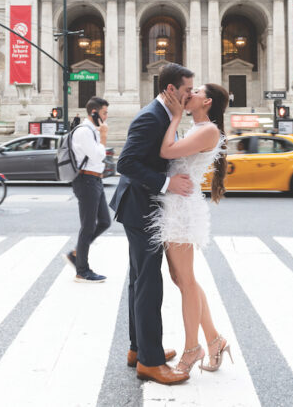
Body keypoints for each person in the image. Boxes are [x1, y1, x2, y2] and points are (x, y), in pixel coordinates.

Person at [110, 63, 194, 386]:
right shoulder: (150, 117)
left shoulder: (162, 115)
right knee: (149, 283)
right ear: (171, 90)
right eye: (187, 91)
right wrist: (166, 184)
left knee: (140, 280)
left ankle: (138, 349)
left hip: (141, 206)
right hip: (140, 207)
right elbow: (125, 163)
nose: (189, 96)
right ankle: (150, 361)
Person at [150, 83, 232, 376]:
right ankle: (215, 340)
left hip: (182, 209)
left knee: (185, 281)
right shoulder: (199, 127)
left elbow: (167, 151)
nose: (190, 93)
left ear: (207, 101)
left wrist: (173, 117)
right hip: (176, 203)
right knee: (182, 278)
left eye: (195, 91)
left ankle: (192, 347)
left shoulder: (208, 130)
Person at [63, 98, 112, 283]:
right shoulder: (84, 131)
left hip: (95, 180)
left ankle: (77, 254)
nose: (106, 117)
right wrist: (104, 135)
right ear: (94, 112)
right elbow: (98, 155)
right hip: (86, 180)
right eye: (104, 113)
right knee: (88, 226)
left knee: (105, 221)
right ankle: (82, 270)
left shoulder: (92, 131)